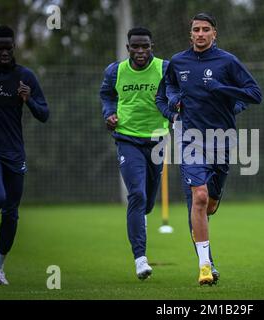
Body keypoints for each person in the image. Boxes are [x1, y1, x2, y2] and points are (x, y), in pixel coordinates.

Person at [160, 13, 262, 285]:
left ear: (214, 34)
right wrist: (173, 102)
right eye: (196, 29)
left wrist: (223, 88)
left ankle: (211, 205)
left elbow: (255, 94)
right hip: (190, 138)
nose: (201, 33)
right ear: (190, 34)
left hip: (223, 139)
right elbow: (167, 88)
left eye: (206, 29)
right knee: (199, 198)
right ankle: (205, 265)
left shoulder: (228, 62)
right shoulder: (178, 62)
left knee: (211, 203)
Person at [0, 25, 50, 285]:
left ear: (14, 49)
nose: (5, 53)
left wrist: (29, 99)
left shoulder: (25, 77)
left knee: (11, 213)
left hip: (14, 152)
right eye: (0, 49)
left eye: (9, 49)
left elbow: (44, 114)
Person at [99, 27, 169, 280]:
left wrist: (175, 105)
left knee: (148, 201)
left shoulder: (164, 68)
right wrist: (109, 114)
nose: (141, 51)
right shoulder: (115, 71)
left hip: (157, 140)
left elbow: (176, 91)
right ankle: (140, 259)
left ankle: (142, 216)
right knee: (136, 195)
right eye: (135, 47)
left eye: (145, 46)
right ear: (128, 48)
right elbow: (107, 95)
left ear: (152, 46)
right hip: (127, 139)